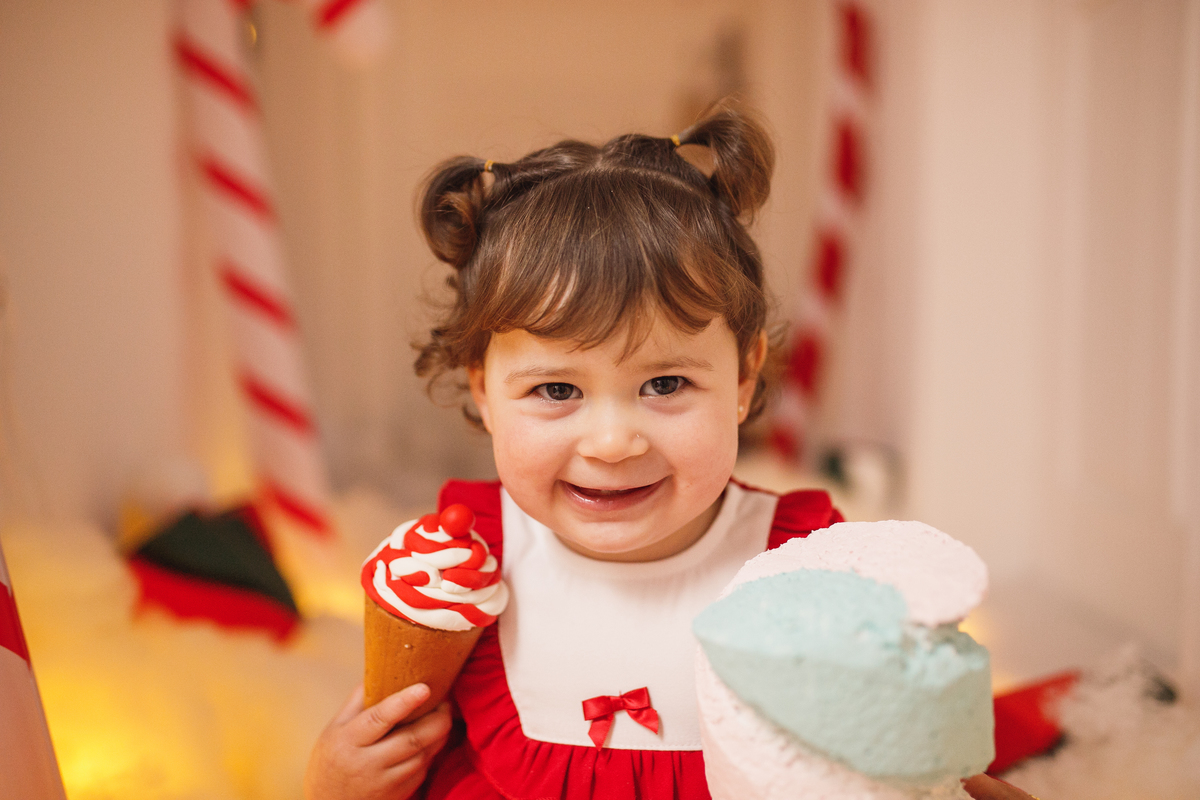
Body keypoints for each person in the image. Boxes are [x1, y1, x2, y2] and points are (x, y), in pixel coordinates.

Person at [304, 103, 1036, 800]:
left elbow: (885, 740)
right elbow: (393, 742)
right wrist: (338, 782)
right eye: (557, 391)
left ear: (743, 377)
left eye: (664, 382)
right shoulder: (460, 568)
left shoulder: (802, 567)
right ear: (485, 393)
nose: (614, 442)